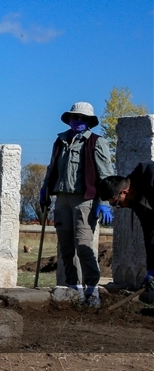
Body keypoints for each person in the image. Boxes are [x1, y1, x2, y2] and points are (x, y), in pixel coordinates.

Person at [40, 102, 114, 308]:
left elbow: (105, 175)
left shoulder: (97, 142)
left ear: (89, 122)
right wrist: (45, 189)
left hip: (84, 199)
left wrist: (103, 202)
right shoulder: (60, 141)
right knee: (66, 247)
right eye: (75, 117)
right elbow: (51, 167)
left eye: (83, 119)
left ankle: (92, 290)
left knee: (83, 245)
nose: (78, 121)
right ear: (70, 119)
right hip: (61, 199)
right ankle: (73, 289)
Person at [98, 161, 154, 303]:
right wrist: (152, 270)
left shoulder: (150, 175)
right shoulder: (136, 203)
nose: (118, 207)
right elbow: (151, 235)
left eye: (116, 203)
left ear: (124, 192)